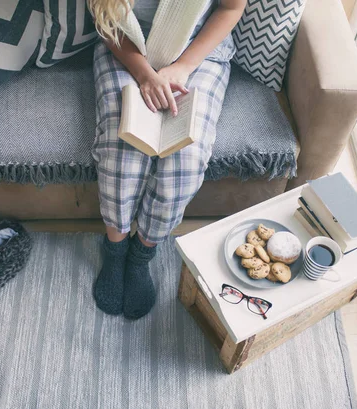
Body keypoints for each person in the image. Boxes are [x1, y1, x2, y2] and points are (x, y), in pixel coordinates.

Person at [89, 0, 246, 319]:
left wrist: (183, 66)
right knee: (123, 148)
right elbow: (106, 20)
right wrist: (144, 74)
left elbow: (230, 7)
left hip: (198, 51)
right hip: (128, 46)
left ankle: (141, 254)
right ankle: (116, 249)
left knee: (184, 158)